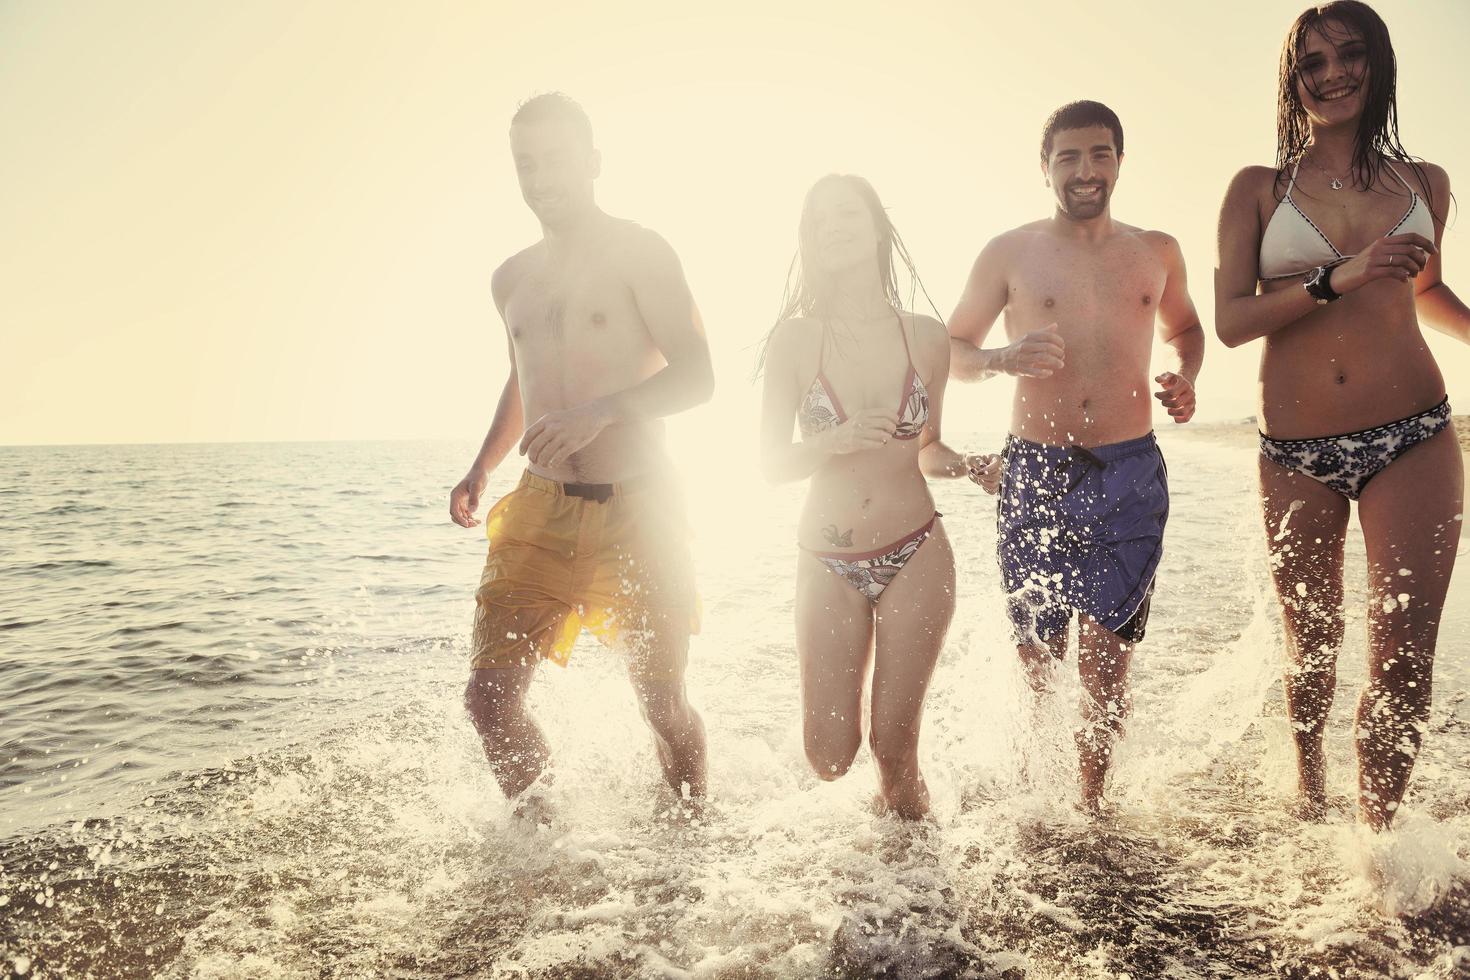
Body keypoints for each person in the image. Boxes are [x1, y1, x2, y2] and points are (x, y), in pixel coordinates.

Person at [1216, 1, 1465, 831]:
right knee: (1313, 651)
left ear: (1378, 63)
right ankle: (1309, 790)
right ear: (1295, 82)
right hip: (1295, 451)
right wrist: (1336, 277)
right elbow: (1231, 321)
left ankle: (1376, 853)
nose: (1331, 75)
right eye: (1311, 63)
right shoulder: (1260, 189)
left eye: (1348, 55)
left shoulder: (1426, 184)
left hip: (1416, 436)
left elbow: (1422, 293)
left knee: (1401, 663)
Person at [449, 93, 714, 818]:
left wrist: (602, 412)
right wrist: (483, 466)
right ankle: (545, 841)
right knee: (490, 700)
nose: (541, 178)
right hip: (538, 511)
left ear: (593, 162)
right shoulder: (510, 278)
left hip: (643, 509)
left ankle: (692, 833)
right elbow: (524, 378)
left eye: (556, 160)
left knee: (662, 704)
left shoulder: (641, 251)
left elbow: (699, 375)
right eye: (525, 164)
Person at [949, 101, 1206, 813]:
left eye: (1098, 154)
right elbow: (952, 349)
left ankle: (1090, 808)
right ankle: (1035, 805)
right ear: (1045, 168)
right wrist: (1002, 356)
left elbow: (1186, 328)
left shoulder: (1157, 250)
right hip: (1035, 471)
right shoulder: (1010, 252)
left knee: (1107, 667)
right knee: (1039, 663)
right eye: (1067, 157)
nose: (1085, 171)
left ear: (1119, 161)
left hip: (1130, 474)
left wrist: (1186, 376)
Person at [759, 174, 989, 820]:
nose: (833, 226)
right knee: (829, 758)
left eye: (846, 213)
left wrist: (972, 466)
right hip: (827, 558)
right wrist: (832, 441)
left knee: (893, 748)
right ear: (810, 240)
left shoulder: (927, 338)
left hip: (916, 550)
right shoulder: (795, 341)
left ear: (877, 227)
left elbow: (928, 447)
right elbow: (770, 464)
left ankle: (917, 877)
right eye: (819, 219)